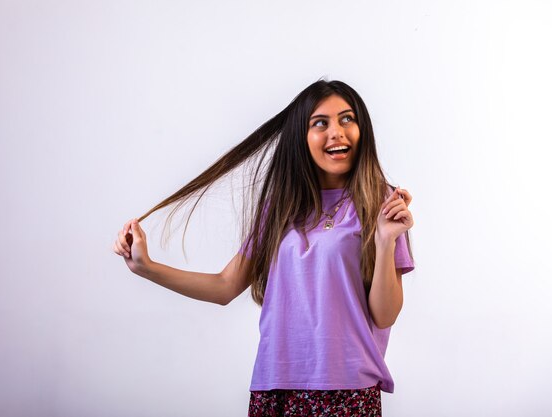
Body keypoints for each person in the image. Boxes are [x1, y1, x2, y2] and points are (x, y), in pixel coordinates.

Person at [112, 79, 415, 417]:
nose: (337, 132)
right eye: (320, 123)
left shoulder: (380, 202)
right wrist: (147, 267)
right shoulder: (281, 207)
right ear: (302, 137)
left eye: (347, 119)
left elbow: (385, 315)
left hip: (347, 389)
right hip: (275, 385)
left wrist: (386, 240)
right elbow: (225, 286)